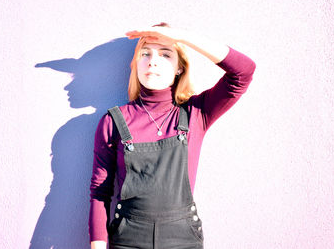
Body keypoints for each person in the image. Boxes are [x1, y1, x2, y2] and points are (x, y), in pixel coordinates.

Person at [89, 23, 256, 249]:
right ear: (136, 64)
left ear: (180, 67)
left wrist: (181, 36)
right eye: (145, 53)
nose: (153, 61)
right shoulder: (113, 121)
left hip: (183, 240)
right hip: (128, 239)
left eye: (165, 54)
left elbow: (243, 72)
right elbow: (100, 193)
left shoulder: (196, 112)